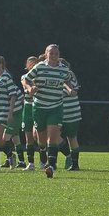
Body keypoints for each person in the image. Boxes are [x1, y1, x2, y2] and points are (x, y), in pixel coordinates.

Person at [23, 44, 75, 176]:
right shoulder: (39, 67)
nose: (53, 56)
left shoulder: (63, 69)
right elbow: (26, 79)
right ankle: (44, 153)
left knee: (53, 137)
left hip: (55, 107)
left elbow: (67, 81)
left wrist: (70, 89)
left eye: (56, 54)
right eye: (51, 53)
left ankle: (51, 165)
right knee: (41, 140)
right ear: (46, 54)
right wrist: (30, 89)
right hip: (39, 107)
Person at [60, 60, 82, 170]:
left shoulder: (69, 74)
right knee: (53, 136)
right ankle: (68, 156)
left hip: (71, 112)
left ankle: (74, 163)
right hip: (60, 112)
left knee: (72, 137)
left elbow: (72, 91)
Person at [21, 55, 39, 170]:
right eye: (30, 64)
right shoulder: (24, 77)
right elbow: (27, 86)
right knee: (28, 136)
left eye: (34, 63)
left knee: (37, 135)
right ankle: (31, 163)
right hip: (27, 107)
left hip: (38, 107)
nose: (32, 66)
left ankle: (44, 160)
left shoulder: (39, 77)